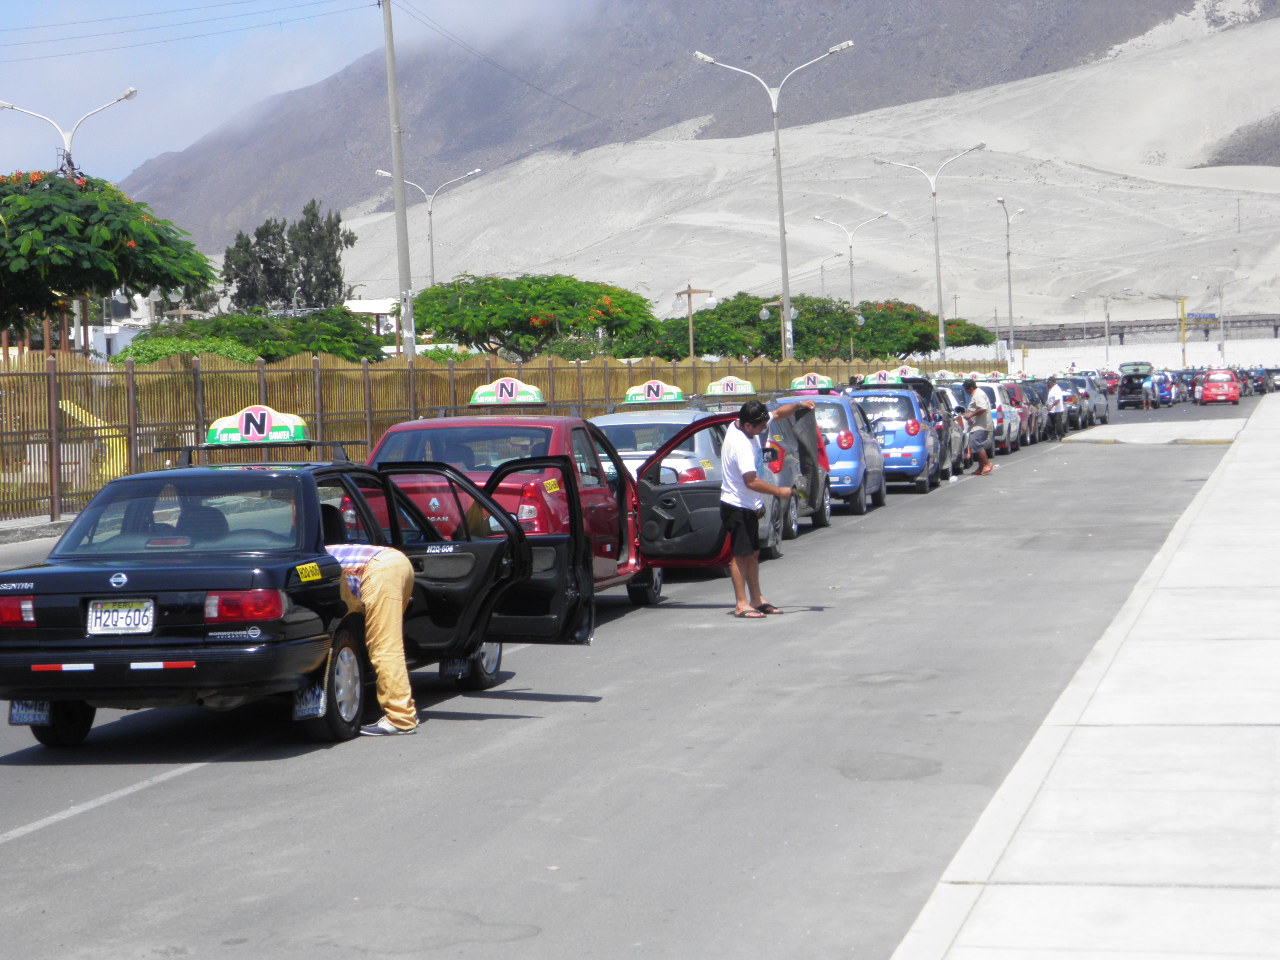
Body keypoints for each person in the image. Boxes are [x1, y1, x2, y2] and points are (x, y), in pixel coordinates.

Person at [324, 507, 419, 736]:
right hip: (394, 560)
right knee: (388, 642)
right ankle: (400, 708)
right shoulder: (327, 550)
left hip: (379, 570)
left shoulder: (312, 560)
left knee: (384, 647)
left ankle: (400, 718)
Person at [719, 398, 815, 619]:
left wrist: (800, 405)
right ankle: (741, 604)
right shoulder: (740, 445)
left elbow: (779, 413)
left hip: (750, 505)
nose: (764, 429)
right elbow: (751, 481)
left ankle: (756, 599)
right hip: (736, 505)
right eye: (761, 427)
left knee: (753, 553)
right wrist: (779, 491)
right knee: (740, 556)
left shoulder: (748, 425)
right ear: (748, 425)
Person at [961, 379, 993, 476]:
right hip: (976, 425)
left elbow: (982, 408)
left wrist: (970, 415)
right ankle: (981, 467)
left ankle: (987, 464)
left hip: (981, 425)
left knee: (976, 444)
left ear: (970, 388)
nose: (966, 392)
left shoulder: (978, 394)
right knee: (976, 445)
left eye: (966, 390)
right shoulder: (974, 395)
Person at [1045, 375, 1067, 441]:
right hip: (1051, 410)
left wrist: (1051, 406)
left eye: (1048, 383)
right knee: (1049, 424)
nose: (1047, 384)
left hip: (1057, 410)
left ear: (1051, 383)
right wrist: (1047, 404)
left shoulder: (1057, 389)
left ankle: (1061, 435)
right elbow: (1050, 399)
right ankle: (1053, 437)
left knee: (1058, 425)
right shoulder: (1051, 389)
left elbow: (1057, 400)